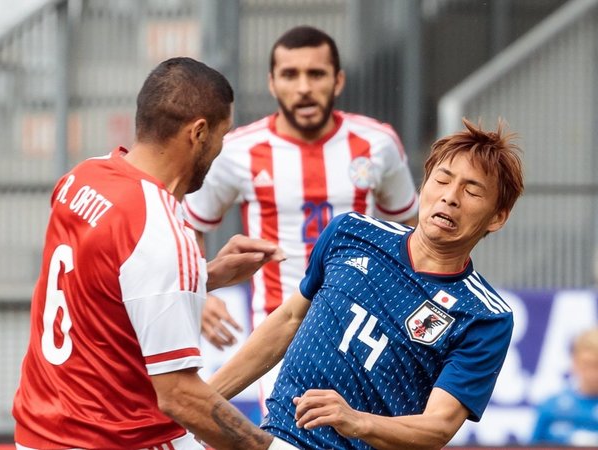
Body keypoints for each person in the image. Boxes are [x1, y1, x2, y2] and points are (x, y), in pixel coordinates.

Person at [11, 57, 297, 450]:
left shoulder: (81, 178)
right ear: (198, 132)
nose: (219, 149)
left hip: (37, 434)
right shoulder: (159, 230)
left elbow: (105, 283)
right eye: (221, 135)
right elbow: (179, 395)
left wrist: (206, 274)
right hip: (114, 440)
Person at [208, 118, 525, 450]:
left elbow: (438, 427)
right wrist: (204, 399)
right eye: (442, 180)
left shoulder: (484, 316)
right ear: (424, 185)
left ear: (497, 217)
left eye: (471, 190)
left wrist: (357, 421)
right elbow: (289, 319)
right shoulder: (351, 233)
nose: (450, 197)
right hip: (280, 436)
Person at [183, 25, 419, 406]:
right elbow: (190, 222)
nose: (304, 87)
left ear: (338, 80)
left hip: (366, 331)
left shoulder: (378, 143)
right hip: (278, 336)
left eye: (316, 73)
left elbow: (408, 228)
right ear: (272, 83)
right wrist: (200, 292)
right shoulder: (239, 151)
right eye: (291, 75)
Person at [530, 327, 598, 446]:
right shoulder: (551, 406)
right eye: (587, 364)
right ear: (574, 363)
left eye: (597, 365)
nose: (592, 373)